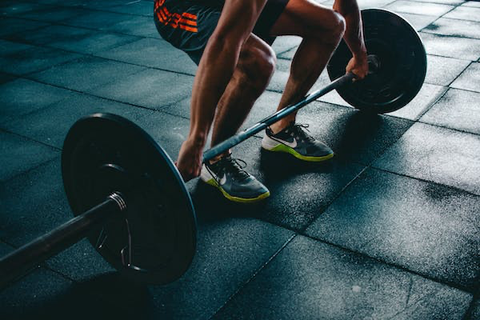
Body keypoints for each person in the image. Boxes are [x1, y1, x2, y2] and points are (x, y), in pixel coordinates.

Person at [154, 0, 368, 203]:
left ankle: (281, 126)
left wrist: (359, 55)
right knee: (258, 61)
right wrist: (196, 140)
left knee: (330, 25)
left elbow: (346, 8)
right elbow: (225, 41)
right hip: (181, 7)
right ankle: (217, 160)